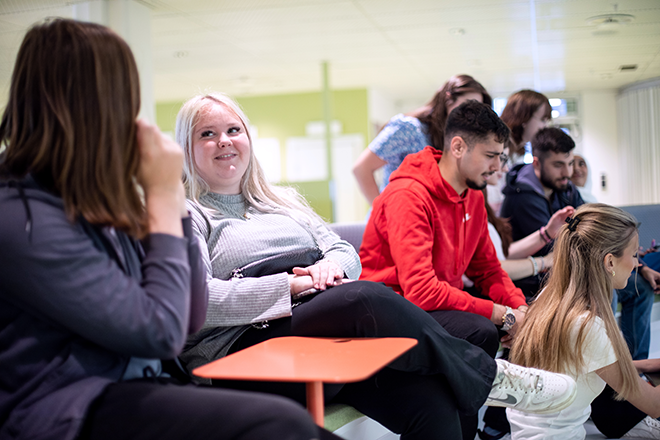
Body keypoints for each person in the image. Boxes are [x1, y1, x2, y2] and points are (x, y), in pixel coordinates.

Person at [0, 18, 341, 440]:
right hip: (69, 407)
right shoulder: (21, 216)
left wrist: (171, 201)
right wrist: (166, 195)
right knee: (283, 425)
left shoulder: (95, 199)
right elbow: (161, 331)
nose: (129, 116)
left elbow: (188, 312)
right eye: (121, 98)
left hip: (143, 382)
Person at [175, 92, 579, 440]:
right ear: (187, 147)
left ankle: (485, 378)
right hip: (244, 350)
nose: (224, 142)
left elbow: (342, 251)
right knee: (367, 297)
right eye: (207, 134)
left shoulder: (283, 200)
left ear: (248, 138)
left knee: (432, 403)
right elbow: (196, 301)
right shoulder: (187, 214)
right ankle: (490, 377)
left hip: (322, 335)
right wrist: (291, 286)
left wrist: (328, 268)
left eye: (233, 130)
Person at [508, 203, 660, 440]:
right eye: (633, 255)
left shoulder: (548, 300)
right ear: (609, 262)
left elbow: (583, 365)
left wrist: (641, 366)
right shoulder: (587, 326)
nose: (636, 264)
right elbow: (654, 404)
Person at [353, 74, 491, 204]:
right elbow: (361, 168)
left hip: (424, 219)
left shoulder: (451, 138)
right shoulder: (409, 128)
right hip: (396, 219)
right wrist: (382, 212)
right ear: (448, 100)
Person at [499, 90, 552, 165]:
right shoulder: (499, 146)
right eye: (542, 120)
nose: (544, 127)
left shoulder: (519, 150)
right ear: (524, 117)